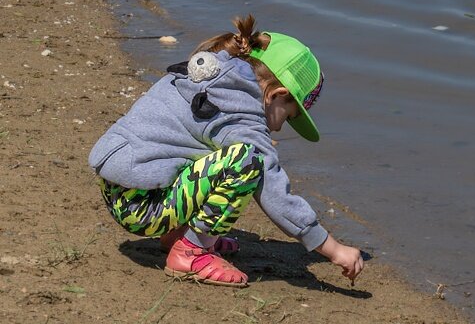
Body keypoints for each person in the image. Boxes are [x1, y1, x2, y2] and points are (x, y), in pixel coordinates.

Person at [89, 15, 363, 288]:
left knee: (201, 148)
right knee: (247, 161)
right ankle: (191, 252)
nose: (280, 128)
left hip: (122, 190)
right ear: (277, 95)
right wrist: (331, 248)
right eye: (289, 116)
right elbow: (274, 190)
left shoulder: (211, 77)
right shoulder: (240, 114)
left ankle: (178, 234)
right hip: (142, 207)